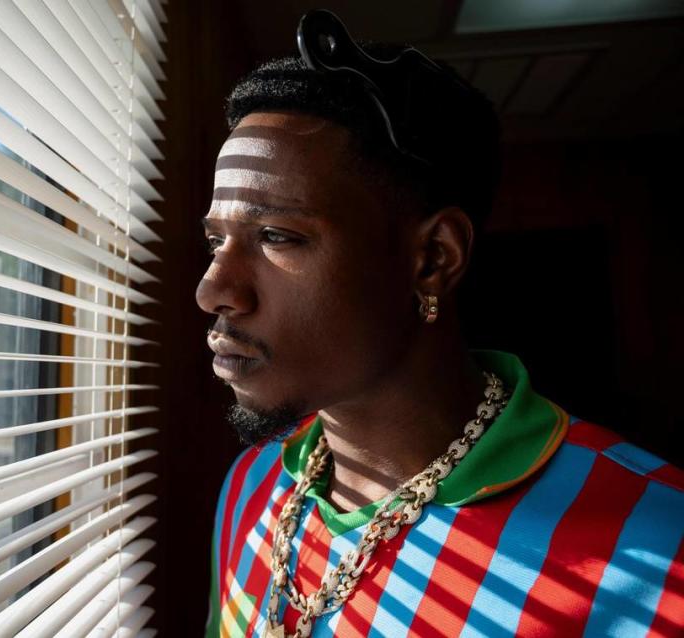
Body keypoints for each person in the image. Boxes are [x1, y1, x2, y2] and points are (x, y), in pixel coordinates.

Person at [197, 11, 684, 638]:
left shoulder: (652, 544)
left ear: (432, 259)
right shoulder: (252, 488)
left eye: (276, 236)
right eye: (216, 243)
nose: (213, 290)